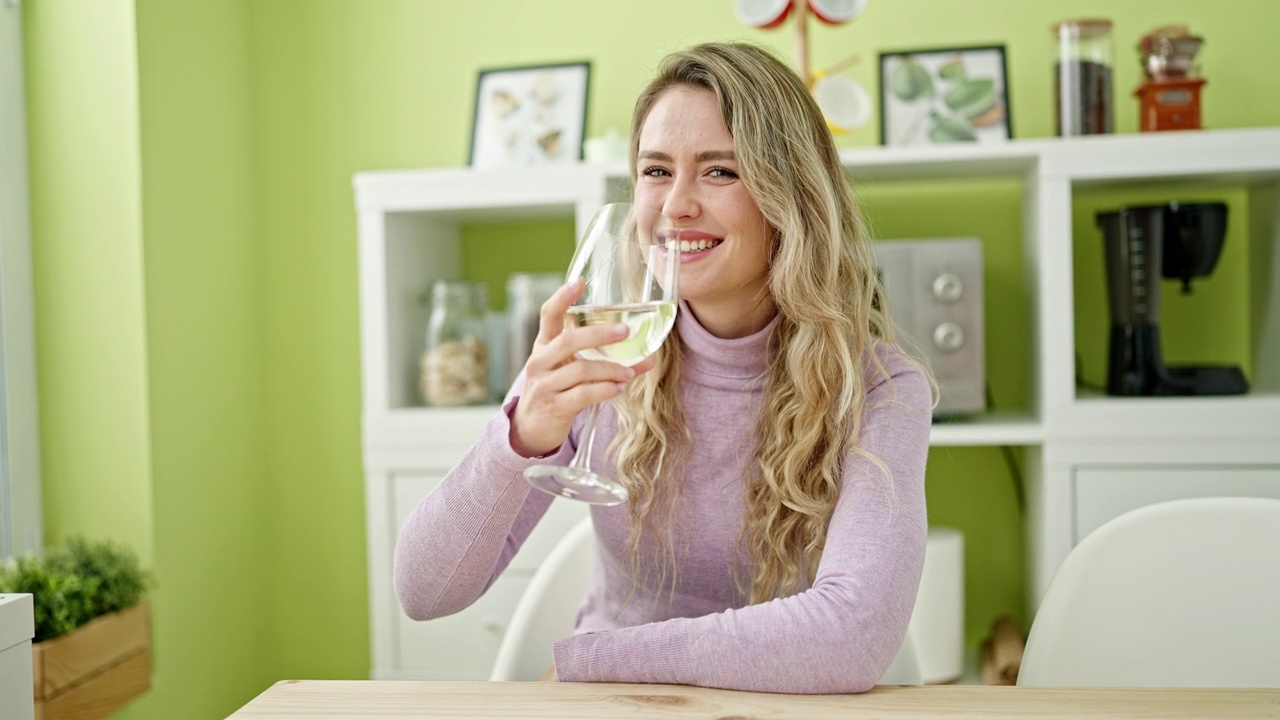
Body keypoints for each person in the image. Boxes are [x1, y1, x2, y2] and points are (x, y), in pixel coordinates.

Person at [394, 41, 934, 694]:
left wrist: (593, 660)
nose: (675, 205)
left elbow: (850, 636)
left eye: (720, 171)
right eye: (655, 171)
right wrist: (518, 437)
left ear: (790, 200)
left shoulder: (878, 388)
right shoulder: (603, 347)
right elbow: (423, 593)